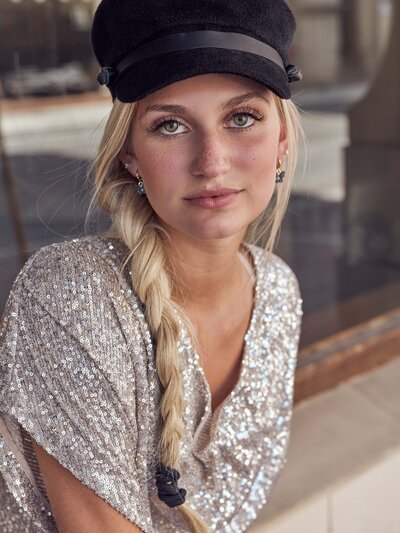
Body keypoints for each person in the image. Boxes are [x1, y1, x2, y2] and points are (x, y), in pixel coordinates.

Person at [0, 0, 304, 531]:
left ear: (280, 142)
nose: (212, 161)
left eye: (242, 118)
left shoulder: (278, 291)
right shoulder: (72, 296)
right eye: (169, 125)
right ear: (130, 155)